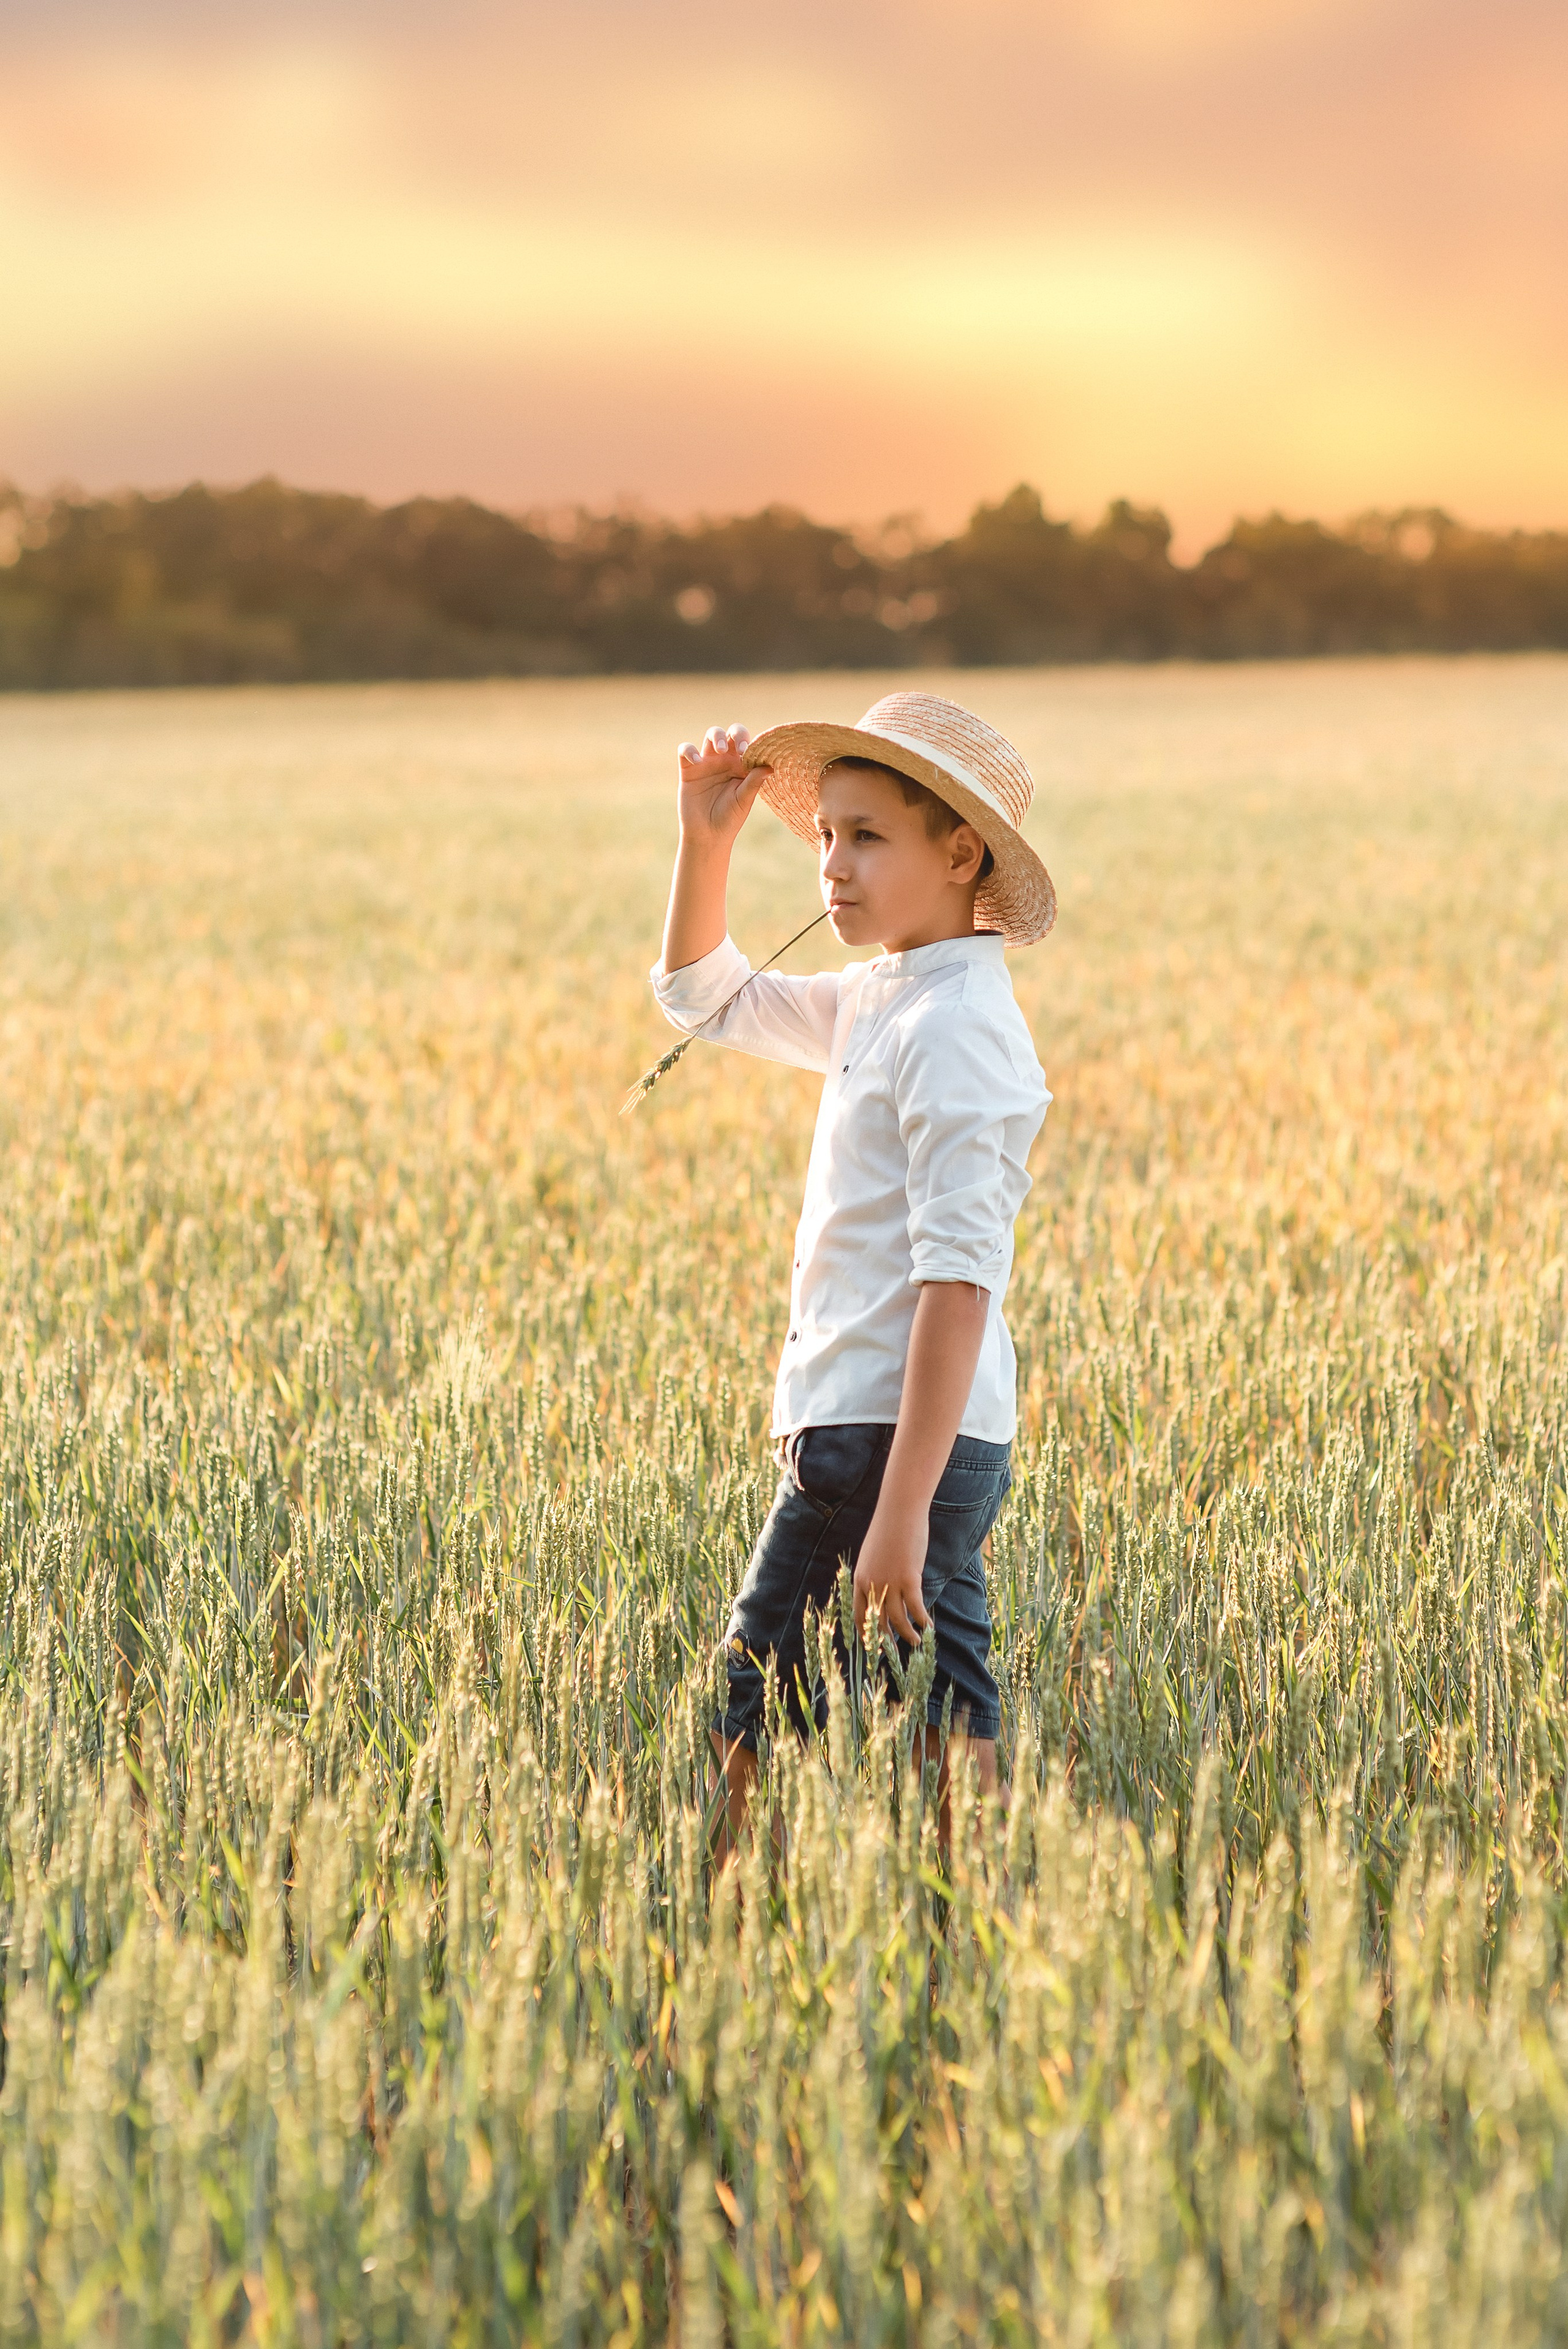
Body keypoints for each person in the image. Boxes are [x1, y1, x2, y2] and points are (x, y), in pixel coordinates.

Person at [650, 691, 1055, 1850]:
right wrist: (704, 837)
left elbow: (959, 1284)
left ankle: (726, 1945)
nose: (832, 865)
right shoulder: (884, 999)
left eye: (867, 836)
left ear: (959, 851)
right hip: (900, 1434)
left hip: (886, 1439)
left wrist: (902, 1510)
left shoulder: (953, 1027)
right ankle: (973, 1947)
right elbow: (701, 998)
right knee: (945, 1712)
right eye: (825, 835)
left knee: (751, 1708)